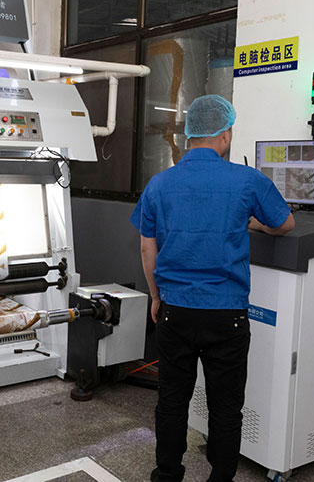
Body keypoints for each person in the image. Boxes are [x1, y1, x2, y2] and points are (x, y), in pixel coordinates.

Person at [130, 95, 295, 482]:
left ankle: (167, 474)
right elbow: (285, 223)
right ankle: (221, 477)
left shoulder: (159, 184)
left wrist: (156, 296)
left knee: (172, 400)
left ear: (189, 135)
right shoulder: (247, 180)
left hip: (175, 310)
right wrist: (254, 223)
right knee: (226, 406)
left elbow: (147, 247)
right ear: (225, 134)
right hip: (227, 314)